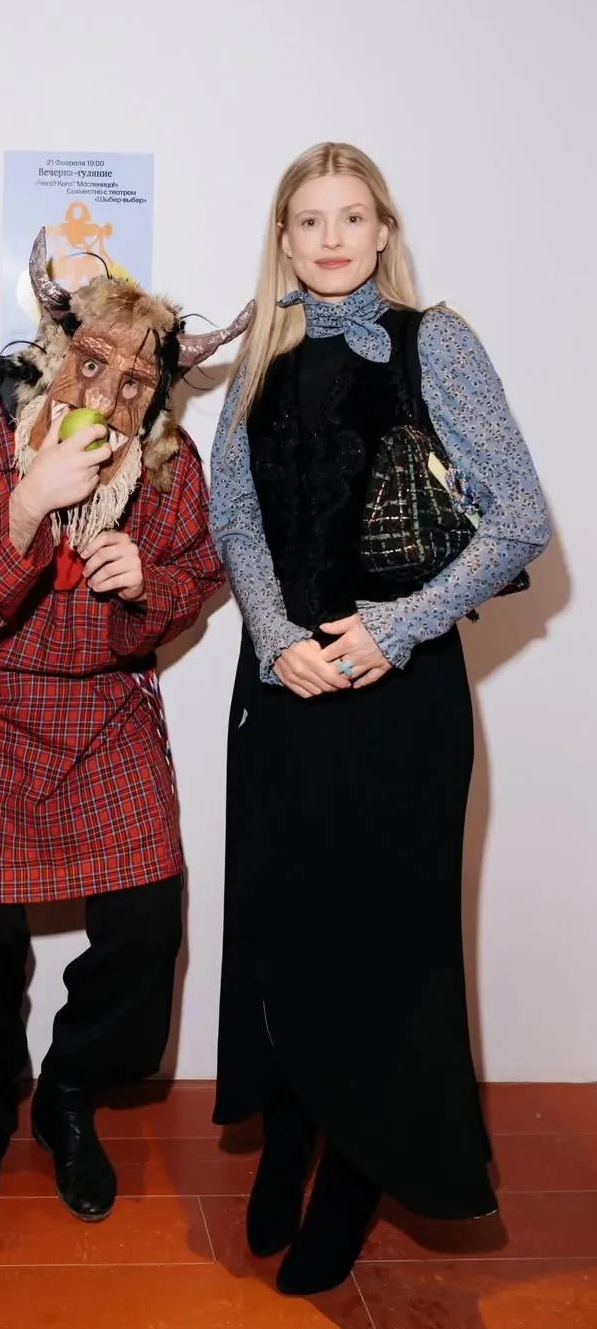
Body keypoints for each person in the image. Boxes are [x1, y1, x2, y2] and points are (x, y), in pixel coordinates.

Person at [209, 142, 551, 1297]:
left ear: (383, 229)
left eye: (351, 216)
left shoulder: (434, 341)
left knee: (383, 943)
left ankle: (357, 1173)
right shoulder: (262, 352)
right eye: (309, 220)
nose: (331, 238)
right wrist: (274, 637)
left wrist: (393, 628)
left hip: (400, 702)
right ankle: (292, 1131)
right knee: (285, 923)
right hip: (283, 686)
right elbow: (233, 511)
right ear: (284, 238)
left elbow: (520, 518)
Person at [0, 229, 247, 1240]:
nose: (110, 389)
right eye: (93, 362)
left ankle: (70, 1091)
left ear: (159, 393)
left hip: (103, 713)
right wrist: (27, 504)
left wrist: (150, 587)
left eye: (137, 379)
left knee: (148, 922)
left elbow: (198, 577)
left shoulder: (170, 464)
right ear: (62, 353)